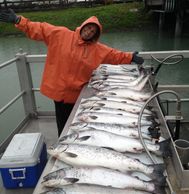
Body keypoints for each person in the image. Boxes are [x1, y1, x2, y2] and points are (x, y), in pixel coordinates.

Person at [0, 9, 144, 137]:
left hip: (78, 95)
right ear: (83, 26)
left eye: (93, 32)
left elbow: (114, 55)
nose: (89, 32)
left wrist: (131, 57)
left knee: (79, 124)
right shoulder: (61, 34)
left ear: (96, 35)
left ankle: (75, 144)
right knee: (62, 123)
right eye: (88, 28)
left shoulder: (98, 49)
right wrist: (19, 20)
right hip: (58, 92)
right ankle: (62, 143)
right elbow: (40, 29)